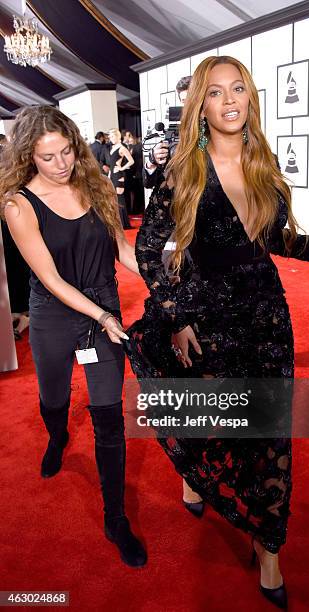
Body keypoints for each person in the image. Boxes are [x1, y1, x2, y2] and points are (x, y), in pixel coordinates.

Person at [126, 56, 309, 607]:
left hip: (266, 316)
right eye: (217, 92)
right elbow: (148, 250)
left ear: (250, 98)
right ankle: (194, 476)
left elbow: (271, 236)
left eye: (238, 90)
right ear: (201, 104)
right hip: (207, 317)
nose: (229, 101)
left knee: (270, 435)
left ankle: (269, 548)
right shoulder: (183, 173)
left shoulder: (263, 164)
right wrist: (175, 314)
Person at [0, 106, 147, 568]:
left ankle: (115, 517)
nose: (61, 164)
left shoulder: (97, 184)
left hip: (105, 309)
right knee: (53, 398)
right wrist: (101, 315)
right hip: (54, 316)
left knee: (109, 419)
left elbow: (123, 249)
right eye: (48, 157)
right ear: (28, 157)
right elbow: (49, 278)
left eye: (66, 151)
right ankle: (57, 436)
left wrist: (161, 280)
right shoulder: (17, 204)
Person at [143, 76, 192, 189]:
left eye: (191, 99)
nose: (188, 105)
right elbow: (149, 184)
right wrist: (152, 162)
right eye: (184, 101)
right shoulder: (172, 133)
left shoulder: (215, 130)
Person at [108, 128, 134, 229]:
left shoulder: (122, 148)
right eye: (110, 137)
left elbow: (131, 161)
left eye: (112, 136)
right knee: (115, 198)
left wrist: (121, 168)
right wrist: (109, 176)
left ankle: (124, 223)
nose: (111, 139)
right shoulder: (113, 148)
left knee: (120, 199)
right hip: (113, 176)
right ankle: (119, 222)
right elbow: (111, 164)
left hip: (119, 175)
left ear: (117, 136)